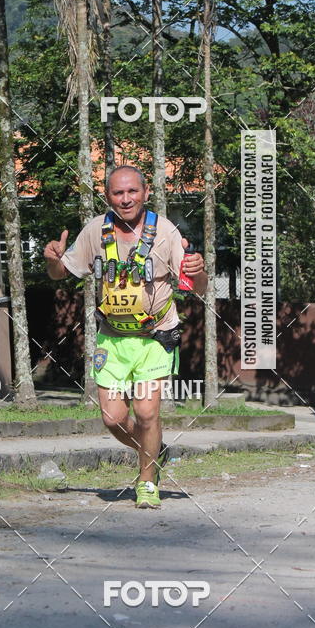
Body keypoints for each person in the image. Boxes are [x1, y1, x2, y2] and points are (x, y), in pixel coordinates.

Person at [44, 165, 207, 510]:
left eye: (132, 191)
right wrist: (52, 261)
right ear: (108, 197)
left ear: (146, 193)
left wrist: (200, 271)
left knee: (147, 414)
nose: (126, 198)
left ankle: (146, 482)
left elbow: (196, 286)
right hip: (112, 338)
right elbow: (61, 273)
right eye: (118, 193)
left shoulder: (165, 232)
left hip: (154, 337)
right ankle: (153, 449)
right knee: (113, 419)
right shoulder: (95, 231)